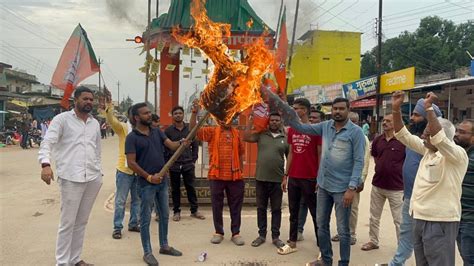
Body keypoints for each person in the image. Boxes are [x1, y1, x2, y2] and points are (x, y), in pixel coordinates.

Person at [264, 90, 365, 265]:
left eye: (341, 108)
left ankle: (343, 263)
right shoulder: (325, 127)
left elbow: (358, 161)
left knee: (343, 230)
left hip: (343, 189)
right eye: (335, 109)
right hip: (324, 186)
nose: (337, 112)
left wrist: (352, 188)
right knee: (322, 225)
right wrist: (278, 103)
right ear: (331, 110)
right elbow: (301, 127)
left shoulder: (356, 133)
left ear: (348, 110)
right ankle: (326, 260)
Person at [392, 91, 468, 266]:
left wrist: (428, 108)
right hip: (418, 218)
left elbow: (439, 138)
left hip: (440, 221)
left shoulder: (457, 156)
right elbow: (403, 135)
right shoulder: (428, 150)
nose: (424, 136)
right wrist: (396, 109)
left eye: (428, 133)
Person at [38, 86, 102, 266]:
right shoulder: (62, 120)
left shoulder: (94, 123)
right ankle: (62, 263)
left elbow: (97, 149)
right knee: (67, 223)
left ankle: (75, 259)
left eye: (91, 99)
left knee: (81, 222)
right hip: (71, 178)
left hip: (92, 178)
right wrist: (45, 164)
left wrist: (99, 171)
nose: (89, 102)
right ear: (76, 100)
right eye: (85, 99)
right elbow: (47, 142)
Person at [125, 102, 184, 265]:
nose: (149, 115)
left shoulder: (157, 132)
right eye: (145, 113)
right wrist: (149, 177)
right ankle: (147, 252)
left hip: (162, 181)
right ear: (136, 117)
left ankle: (164, 245)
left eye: (150, 112)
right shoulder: (132, 138)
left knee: (164, 215)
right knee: (145, 219)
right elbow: (131, 163)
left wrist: (182, 142)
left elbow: (171, 145)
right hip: (146, 184)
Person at [388, 97, 438, 266]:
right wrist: (395, 109)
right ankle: (397, 262)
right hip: (409, 196)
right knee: (406, 232)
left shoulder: (438, 147)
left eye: (416, 115)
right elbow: (401, 132)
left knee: (428, 240)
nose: (412, 118)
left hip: (428, 201)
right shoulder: (416, 140)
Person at [190, 100, 246, 246]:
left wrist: (240, 171)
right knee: (216, 205)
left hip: (235, 177)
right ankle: (218, 232)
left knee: (236, 205)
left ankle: (236, 233)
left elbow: (241, 154)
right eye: (225, 117)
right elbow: (194, 132)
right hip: (216, 175)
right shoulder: (211, 131)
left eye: (230, 118)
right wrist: (194, 114)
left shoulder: (237, 133)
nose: (228, 120)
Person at [99, 88, 140, 240]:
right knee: (121, 201)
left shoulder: (144, 130)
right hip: (124, 170)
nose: (136, 117)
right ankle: (117, 227)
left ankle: (134, 223)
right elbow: (112, 121)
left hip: (139, 171)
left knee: (137, 200)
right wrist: (110, 105)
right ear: (131, 116)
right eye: (134, 114)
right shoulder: (124, 128)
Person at [244, 112, 289, 248]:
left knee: (276, 209)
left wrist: (286, 177)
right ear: (268, 122)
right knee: (261, 208)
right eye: (272, 120)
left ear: (281, 122)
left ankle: (276, 237)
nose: (274, 122)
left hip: (277, 180)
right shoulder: (262, 135)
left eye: (277, 120)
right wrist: (250, 121)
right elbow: (246, 137)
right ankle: (261, 235)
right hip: (261, 178)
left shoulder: (285, 138)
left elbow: (290, 157)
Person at [361, 114, 405, 251]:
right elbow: (374, 155)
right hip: (378, 185)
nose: (384, 123)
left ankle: (401, 246)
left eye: (388, 121)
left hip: (397, 188)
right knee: (374, 217)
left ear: (396, 122)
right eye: (384, 120)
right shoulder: (378, 140)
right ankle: (373, 241)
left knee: (399, 220)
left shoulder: (403, 140)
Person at [332, 112, 370, 245]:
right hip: (339, 179)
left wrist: (362, 179)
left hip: (354, 181)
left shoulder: (362, 137)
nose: (352, 123)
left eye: (354, 121)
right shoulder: (341, 135)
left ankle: (352, 234)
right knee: (339, 207)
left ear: (358, 122)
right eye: (350, 121)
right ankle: (341, 231)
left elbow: (364, 161)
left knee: (352, 208)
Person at [165, 106, 204, 221]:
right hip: (174, 164)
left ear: (183, 115)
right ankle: (176, 212)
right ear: (172, 116)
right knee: (175, 189)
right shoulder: (168, 131)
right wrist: (168, 162)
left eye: (180, 113)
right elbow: (166, 147)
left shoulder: (189, 129)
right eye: (175, 113)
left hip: (188, 163)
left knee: (190, 187)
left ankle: (194, 210)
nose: (178, 115)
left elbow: (195, 144)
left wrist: (193, 160)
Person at [298, 108, 325, 241]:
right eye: (311, 117)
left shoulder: (323, 134)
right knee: (302, 204)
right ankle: (299, 230)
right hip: (304, 176)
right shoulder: (306, 132)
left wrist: (319, 176)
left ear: (321, 121)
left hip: (319, 178)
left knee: (318, 209)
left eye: (316, 118)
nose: (313, 120)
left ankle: (321, 237)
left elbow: (321, 155)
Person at [454, 119, 474, 265]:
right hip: (457, 215)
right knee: (465, 255)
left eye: (462, 132)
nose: (456, 134)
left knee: (469, 258)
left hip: (470, 219)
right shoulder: (460, 154)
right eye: (457, 130)